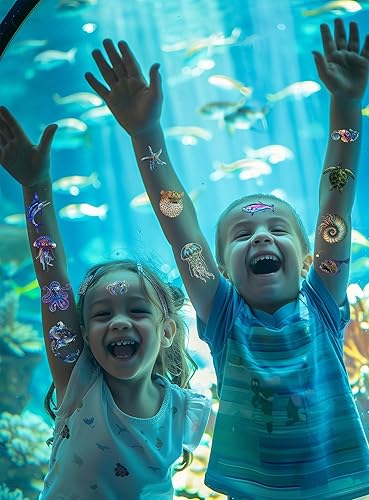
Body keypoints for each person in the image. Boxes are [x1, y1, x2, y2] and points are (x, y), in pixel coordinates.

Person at [84, 18, 369, 499]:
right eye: (242, 235)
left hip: (337, 489)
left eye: (277, 229)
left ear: (309, 258)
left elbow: (336, 205)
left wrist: (346, 104)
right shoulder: (223, 313)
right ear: (220, 269)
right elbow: (180, 228)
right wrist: (145, 134)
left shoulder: (323, 301)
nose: (260, 237)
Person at [0, 107, 211, 499]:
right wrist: (35, 186)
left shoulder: (185, 410)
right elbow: (53, 284)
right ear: (82, 334)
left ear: (167, 331)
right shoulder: (78, 385)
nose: (119, 322)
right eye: (101, 314)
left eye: (137, 310)